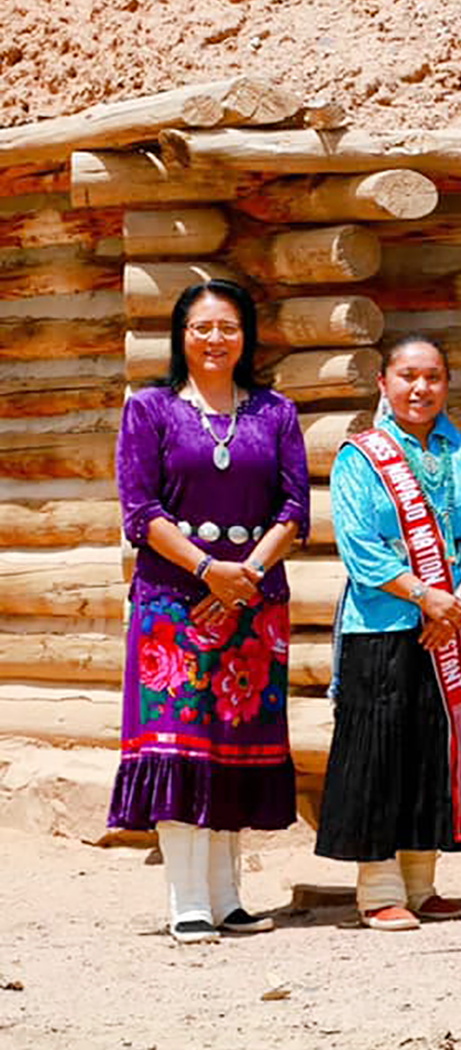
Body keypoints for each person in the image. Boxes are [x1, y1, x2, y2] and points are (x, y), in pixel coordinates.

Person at [111, 279, 308, 942]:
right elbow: (141, 512)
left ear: (246, 335)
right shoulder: (149, 410)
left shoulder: (276, 412)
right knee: (179, 745)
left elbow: (294, 508)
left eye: (228, 326)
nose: (215, 339)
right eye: (202, 328)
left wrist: (247, 573)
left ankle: (228, 897)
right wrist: (206, 569)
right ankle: (186, 899)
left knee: (233, 746)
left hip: (253, 602)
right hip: (174, 602)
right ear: (181, 336)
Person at [315, 334, 461, 930]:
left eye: (432, 377)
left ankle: (422, 884)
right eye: (406, 376)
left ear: (447, 384)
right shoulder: (360, 457)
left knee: (434, 749)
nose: (419, 388)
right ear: (383, 383)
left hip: (455, 626)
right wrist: (425, 596)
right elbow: (359, 546)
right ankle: (377, 888)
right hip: (385, 624)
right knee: (379, 749)